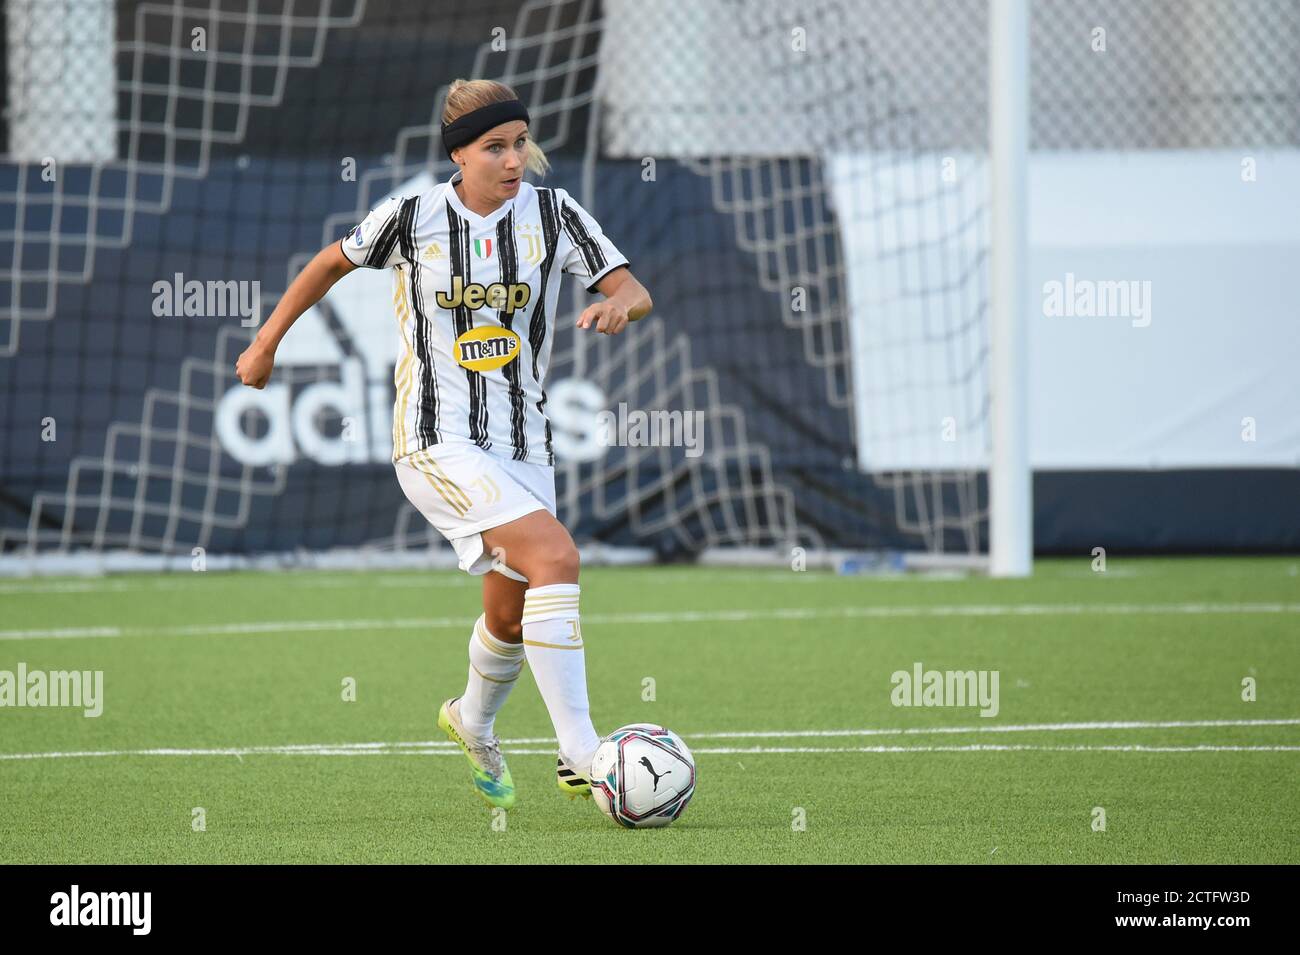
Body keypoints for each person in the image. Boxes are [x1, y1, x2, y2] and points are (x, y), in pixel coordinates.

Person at [235, 78, 653, 810]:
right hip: (434, 440)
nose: (513, 158)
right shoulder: (414, 214)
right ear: (459, 153)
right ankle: (582, 751)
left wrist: (618, 306)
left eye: (520, 141)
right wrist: (267, 341)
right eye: (495, 146)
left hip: (525, 444)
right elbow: (330, 262)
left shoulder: (555, 215)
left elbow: (633, 289)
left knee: (511, 614)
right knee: (556, 556)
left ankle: (471, 719)